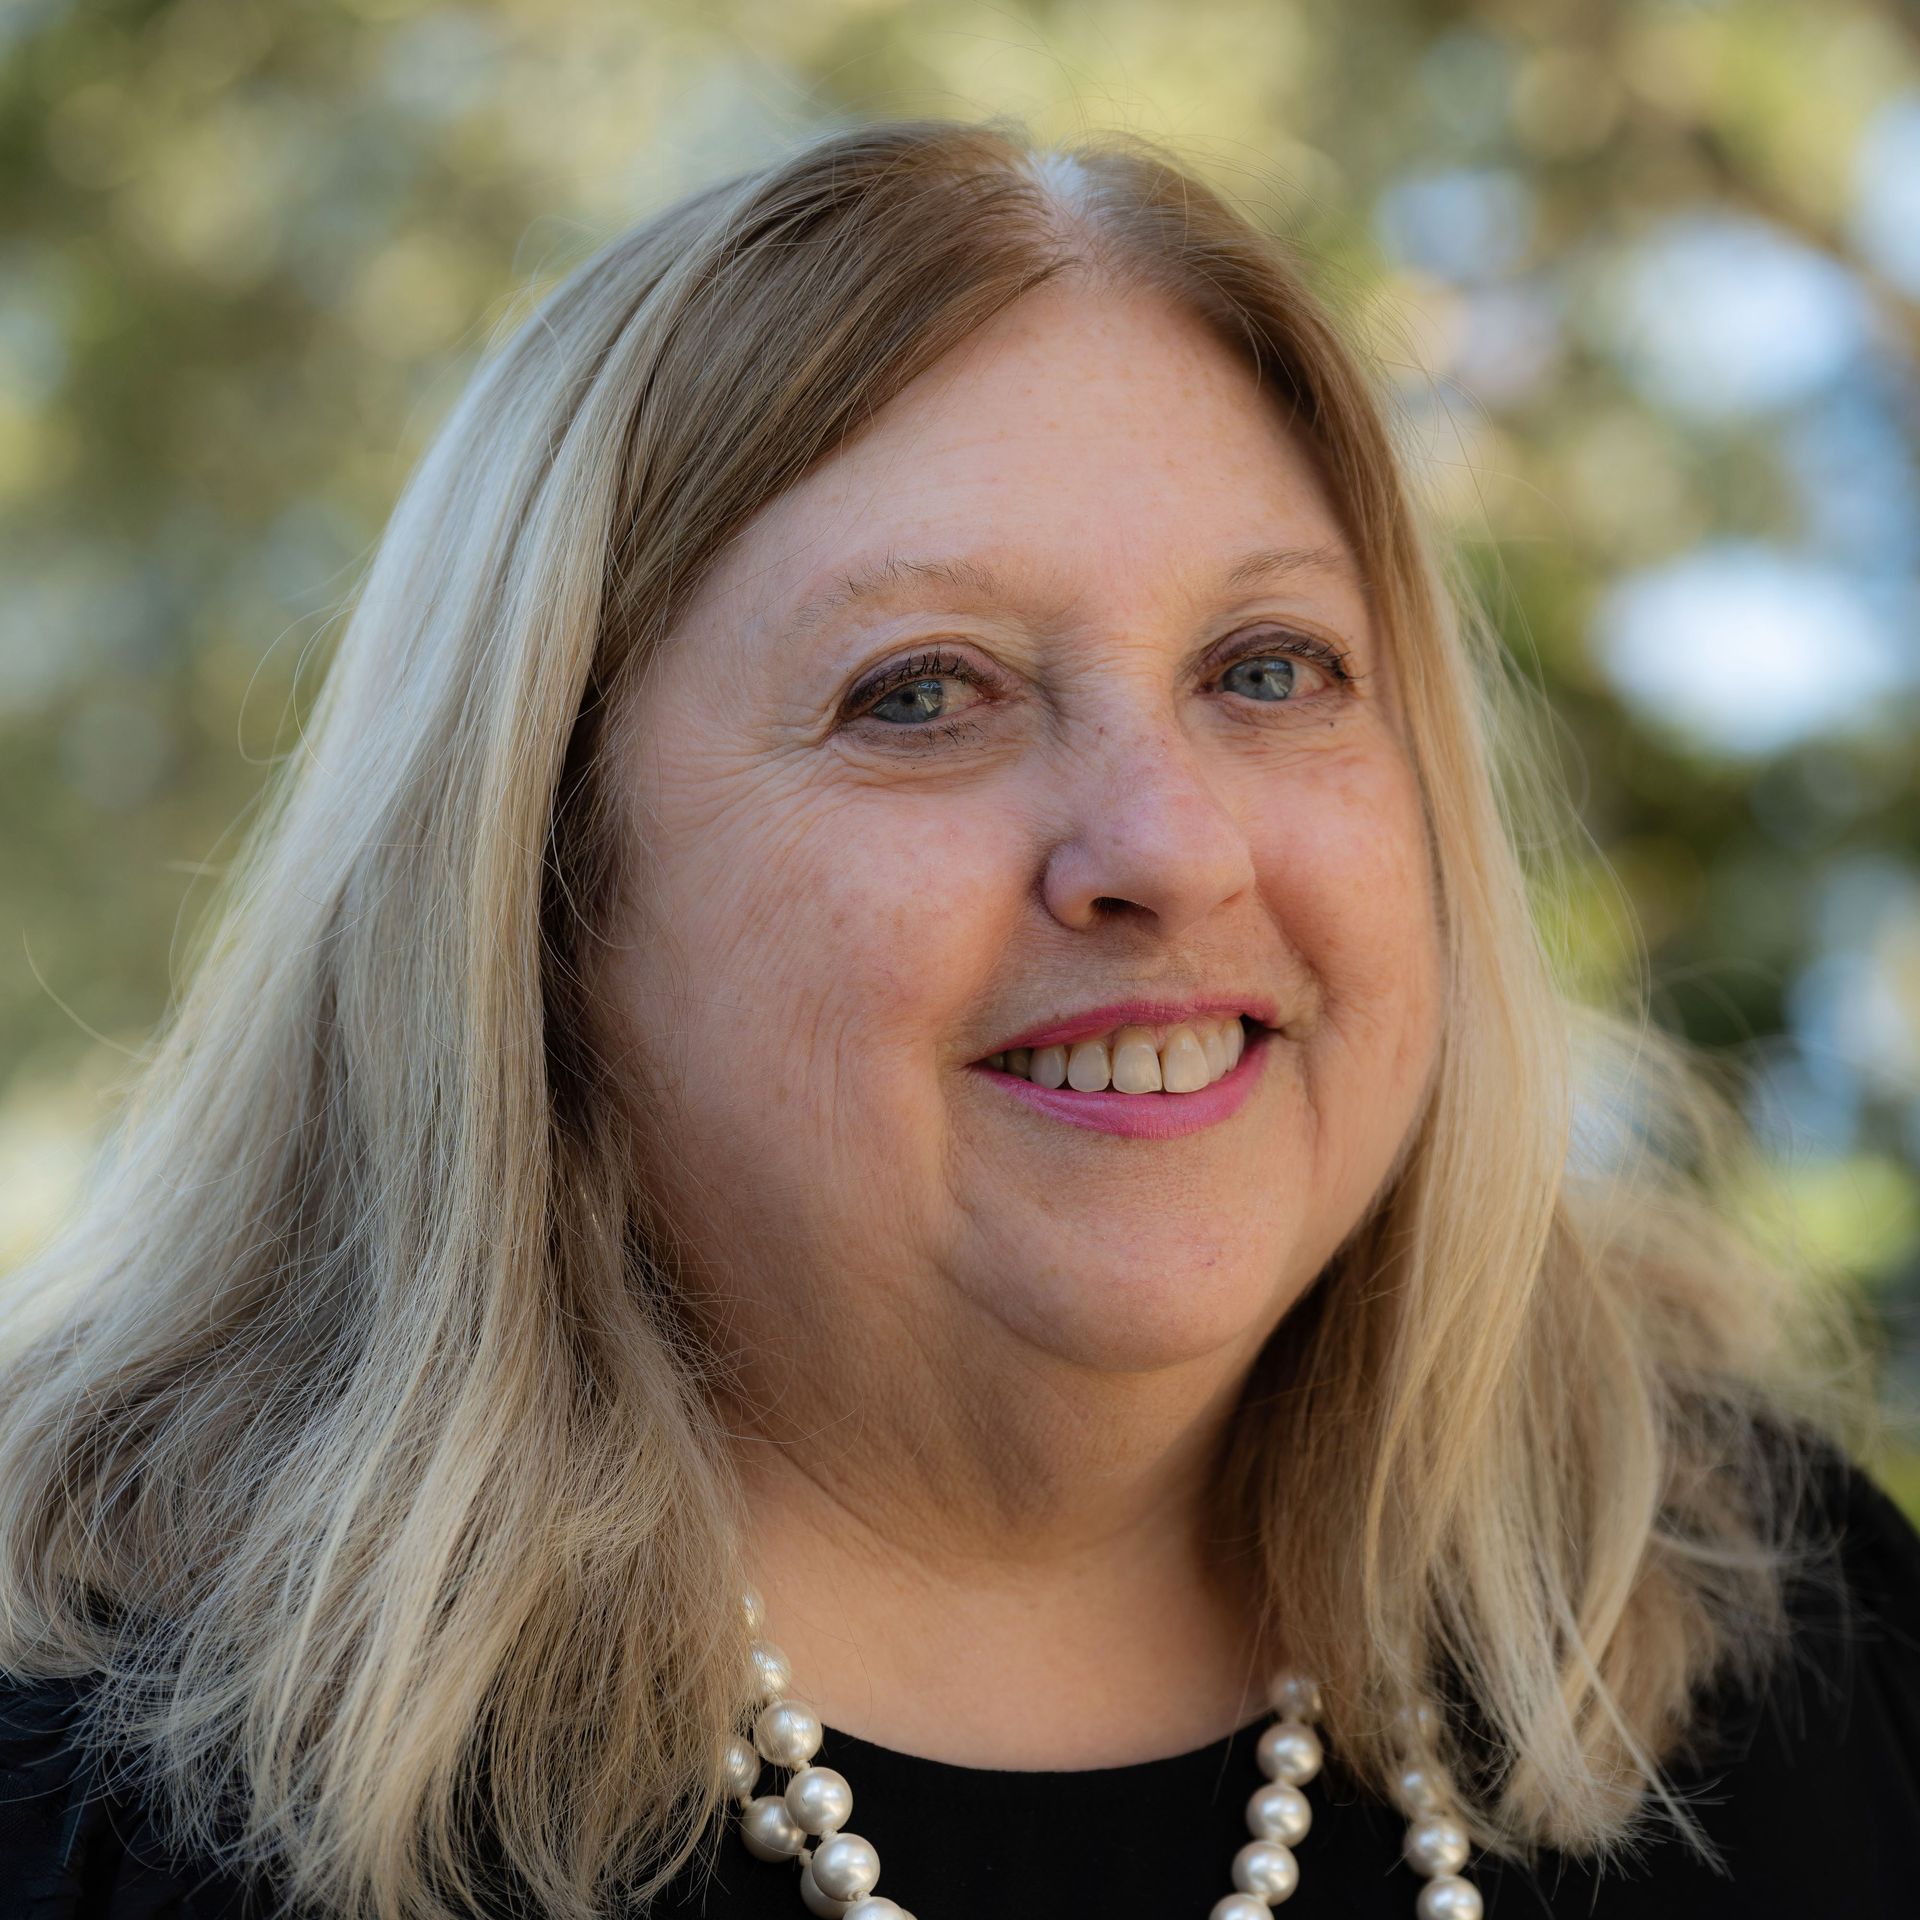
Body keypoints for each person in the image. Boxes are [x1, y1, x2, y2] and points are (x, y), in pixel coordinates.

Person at [0, 117, 1915, 1920]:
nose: (1167, 846)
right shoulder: (99, 1800)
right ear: (542, 896)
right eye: (924, 694)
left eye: (1269, 669)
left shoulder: (1785, 1635)